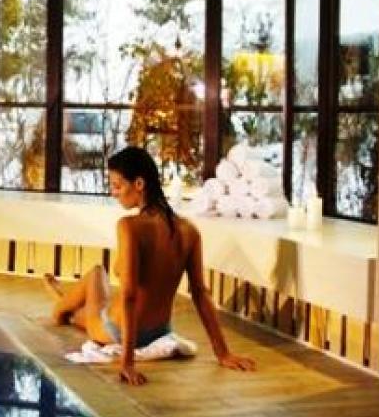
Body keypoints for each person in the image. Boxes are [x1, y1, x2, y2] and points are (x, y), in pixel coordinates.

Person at [43, 146, 255, 385]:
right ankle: (63, 298)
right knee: (83, 313)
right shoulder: (189, 231)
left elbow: (129, 295)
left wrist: (127, 363)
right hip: (160, 330)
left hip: (118, 330)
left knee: (94, 275)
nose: (113, 193)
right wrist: (223, 353)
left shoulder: (129, 226)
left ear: (139, 184)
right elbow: (200, 293)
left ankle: (60, 304)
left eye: (117, 186)